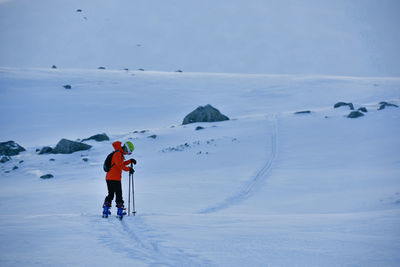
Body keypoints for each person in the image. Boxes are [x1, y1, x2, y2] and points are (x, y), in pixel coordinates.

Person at [103, 141, 136, 217]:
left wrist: (129, 161)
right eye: (129, 152)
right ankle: (120, 210)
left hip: (109, 178)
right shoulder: (118, 153)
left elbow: (120, 163)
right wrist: (129, 169)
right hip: (115, 178)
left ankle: (106, 209)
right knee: (118, 194)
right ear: (127, 149)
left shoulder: (118, 153)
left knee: (111, 194)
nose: (129, 153)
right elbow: (119, 165)